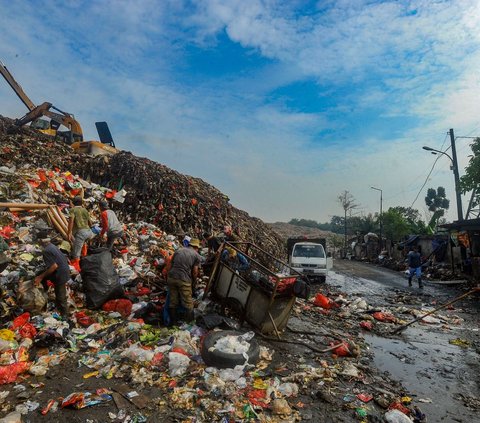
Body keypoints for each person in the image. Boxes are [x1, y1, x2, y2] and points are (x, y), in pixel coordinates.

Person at [165, 238, 201, 325]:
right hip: (184, 280)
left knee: (173, 302)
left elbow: (169, 265)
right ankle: (189, 324)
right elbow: (195, 272)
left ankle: (173, 323)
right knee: (188, 303)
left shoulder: (178, 250)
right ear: (196, 247)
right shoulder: (196, 255)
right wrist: (193, 282)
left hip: (172, 277)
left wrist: (168, 277)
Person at [34, 238, 70, 318]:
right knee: (41, 274)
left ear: (40, 241)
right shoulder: (52, 246)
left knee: (61, 296)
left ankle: (65, 315)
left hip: (60, 273)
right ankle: (45, 295)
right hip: (64, 270)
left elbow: (54, 266)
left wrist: (40, 277)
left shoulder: (46, 251)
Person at [68, 196, 94, 264]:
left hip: (81, 233)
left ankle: (78, 269)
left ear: (73, 203)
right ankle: (84, 259)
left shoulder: (73, 210)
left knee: (76, 254)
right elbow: (90, 223)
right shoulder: (85, 210)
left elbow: (71, 222)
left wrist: (69, 233)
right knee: (83, 244)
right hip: (89, 232)